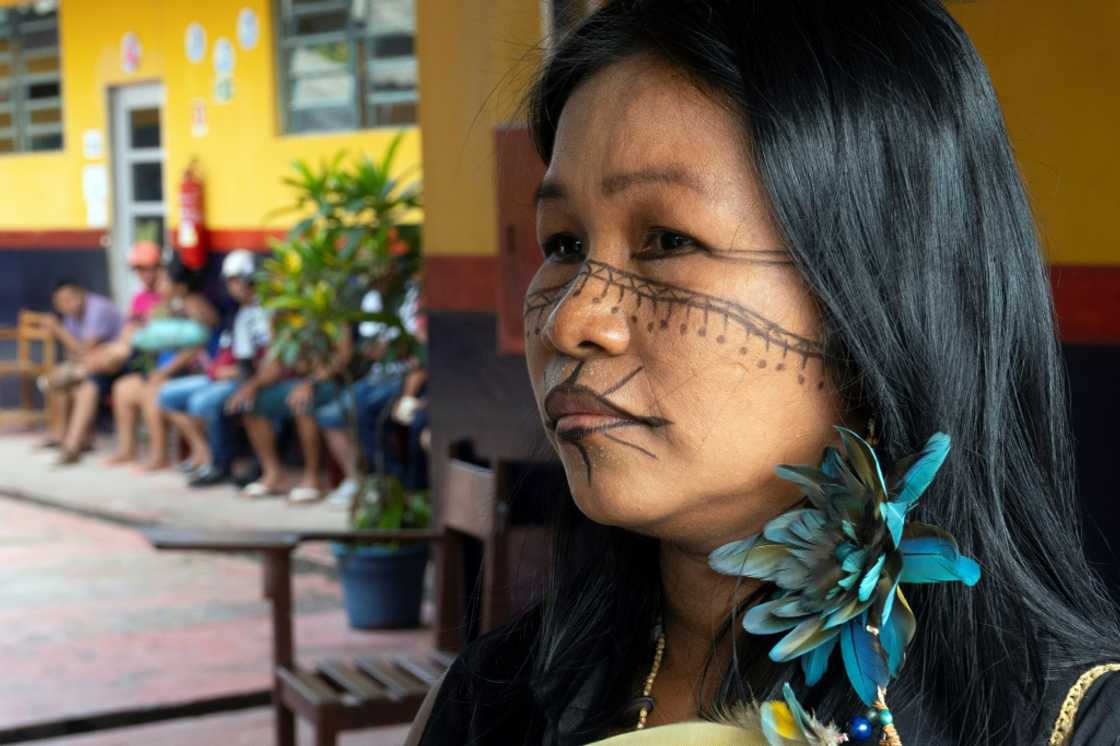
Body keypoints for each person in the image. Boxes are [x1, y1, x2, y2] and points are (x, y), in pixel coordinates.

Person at [408, 3, 1120, 745]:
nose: (572, 319)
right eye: (562, 244)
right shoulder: (490, 705)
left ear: (877, 295)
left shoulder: (1068, 723)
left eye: (667, 239)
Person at [157, 250, 271, 487]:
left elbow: (262, 364)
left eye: (237, 279)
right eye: (230, 281)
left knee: (204, 402)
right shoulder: (242, 312)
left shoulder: (269, 311)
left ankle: (221, 463)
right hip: (228, 376)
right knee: (166, 394)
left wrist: (238, 378)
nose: (234, 286)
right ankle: (208, 455)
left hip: (250, 380)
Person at [55, 241, 163, 465]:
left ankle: (80, 373)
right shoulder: (140, 298)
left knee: (95, 374)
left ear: (159, 268)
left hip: (146, 361)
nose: (143, 274)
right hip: (127, 358)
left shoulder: (165, 294)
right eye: (138, 269)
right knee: (91, 383)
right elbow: (128, 332)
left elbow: (140, 336)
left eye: (147, 268)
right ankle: (73, 444)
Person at [104, 255, 217, 470]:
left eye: (165, 280)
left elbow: (195, 349)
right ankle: (127, 450)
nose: (160, 284)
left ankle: (161, 457)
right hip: (167, 371)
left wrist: (164, 373)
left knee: (154, 394)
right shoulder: (170, 306)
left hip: (193, 373)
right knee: (123, 388)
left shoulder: (195, 306)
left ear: (180, 286)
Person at [39, 280, 124, 448]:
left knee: (70, 382)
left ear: (81, 294)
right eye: (60, 302)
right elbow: (74, 353)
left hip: (116, 366)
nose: (65, 305)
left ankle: (75, 443)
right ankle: (61, 435)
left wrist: (58, 331)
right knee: (61, 382)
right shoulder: (71, 316)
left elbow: (84, 349)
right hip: (91, 366)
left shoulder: (98, 308)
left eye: (69, 299)